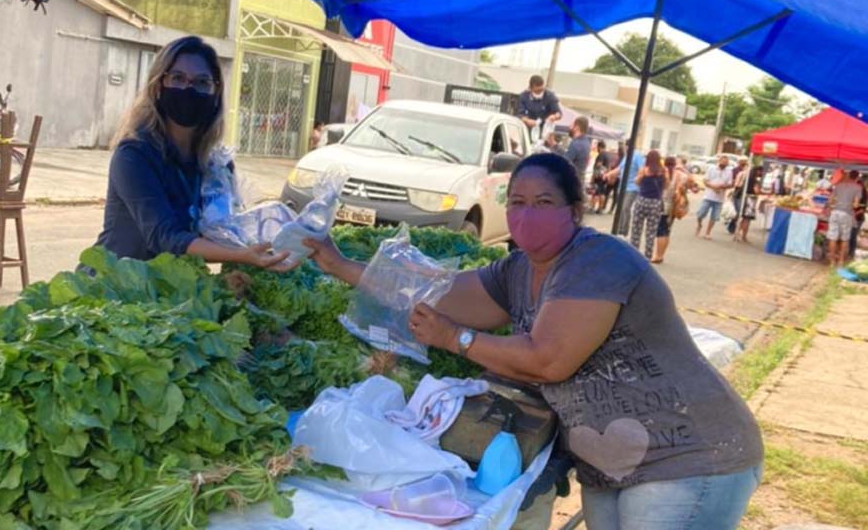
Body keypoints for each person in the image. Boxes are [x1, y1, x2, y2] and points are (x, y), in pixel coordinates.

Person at [306, 153, 763, 530]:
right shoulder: (518, 270)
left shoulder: (597, 261)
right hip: (609, 465)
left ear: (575, 211)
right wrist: (339, 264)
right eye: (517, 202)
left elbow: (548, 360)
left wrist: (455, 338)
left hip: (687, 456)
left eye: (544, 202)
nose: (527, 215)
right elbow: (436, 291)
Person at [95, 36, 295, 269]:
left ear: (215, 92)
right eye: (178, 78)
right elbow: (164, 236)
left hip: (173, 284)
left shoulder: (216, 164)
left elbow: (220, 232)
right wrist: (241, 255)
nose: (189, 89)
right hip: (115, 282)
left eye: (202, 82)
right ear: (158, 86)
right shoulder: (135, 154)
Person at [652, 156, 690, 264]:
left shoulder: (663, 173)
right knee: (666, 230)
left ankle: (658, 255)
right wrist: (684, 170)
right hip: (673, 206)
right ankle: (661, 255)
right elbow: (690, 182)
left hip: (663, 204)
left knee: (661, 231)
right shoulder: (681, 175)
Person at [630, 150, 667, 261]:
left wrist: (642, 179)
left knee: (636, 229)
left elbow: (637, 182)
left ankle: (634, 255)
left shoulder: (644, 170)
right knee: (651, 231)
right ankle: (647, 256)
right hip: (655, 203)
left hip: (642, 200)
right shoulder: (663, 171)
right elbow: (666, 185)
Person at [827, 170, 863, 267]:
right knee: (845, 239)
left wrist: (835, 204)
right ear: (857, 177)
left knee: (832, 238)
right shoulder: (858, 188)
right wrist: (853, 204)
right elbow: (856, 205)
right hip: (847, 214)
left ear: (848, 176)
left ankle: (832, 262)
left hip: (835, 212)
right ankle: (841, 261)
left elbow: (830, 200)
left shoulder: (838, 185)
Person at [607, 146, 645, 236]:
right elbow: (619, 169)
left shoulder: (637, 156)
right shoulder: (626, 156)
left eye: (625, 146)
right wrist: (609, 174)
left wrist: (638, 179)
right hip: (622, 186)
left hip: (632, 187)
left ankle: (624, 230)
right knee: (620, 208)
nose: (624, 148)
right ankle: (619, 228)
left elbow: (642, 169)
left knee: (625, 208)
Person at [695, 155, 733, 240]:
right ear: (719, 161)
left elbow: (730, 184)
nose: (724, 164)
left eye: (726, 163)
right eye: (723, 162)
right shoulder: (711, 168)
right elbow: (705, 181)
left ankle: (707, 233)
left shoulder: (729, 172)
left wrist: (722, 187)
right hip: (708, 196)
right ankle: (699, 225)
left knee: (714, 217)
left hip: (719, 199)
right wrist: (713, 187)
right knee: (701, 213)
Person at [517, 75, 562, 143]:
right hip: (528, 130)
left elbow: (559, 113)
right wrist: (527, 121)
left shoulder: (550, 96)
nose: (540, 92)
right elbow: (520, 114)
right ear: (531, 88)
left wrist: (554, 117)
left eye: (542, 90)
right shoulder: (524, 96)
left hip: (544, 130)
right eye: (537, 90)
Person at [731, 165, 763, 243]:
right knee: (747, 219)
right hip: (750, 199)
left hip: (744, 198)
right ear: (758, 171)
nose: (762, 173)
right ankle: (741, 235)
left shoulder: (748, 178)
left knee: (744, 218)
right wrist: (762, 192)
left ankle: (738, 234)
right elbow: (756, 191)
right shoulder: (755, 180)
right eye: (761, 171)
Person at [565, 116, 592, 183]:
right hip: (580, 180)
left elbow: (564, 162)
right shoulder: (587, 142)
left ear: (577, 128)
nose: (569, 127)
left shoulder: (576, 144)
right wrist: (555, 146)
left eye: (571, 125)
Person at [590, 140, 612, 214]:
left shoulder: (601, 154)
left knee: (596, 193)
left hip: (599, 176)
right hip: (605, 176)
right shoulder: (608, 155)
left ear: (600, 147)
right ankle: (600, 209)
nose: (597, 149)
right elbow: (608, 167)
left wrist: (594, 176)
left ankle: (592, 208)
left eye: (597, 147)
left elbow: (599, 165)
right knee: (602, 193)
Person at [849, 173, 867, 258]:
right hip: (852, 217)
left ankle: (851, 254)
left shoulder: (864, 194)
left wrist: (853, 214)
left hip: (858, 218)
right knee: (849, 235)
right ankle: (848, 252)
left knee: (853, 236)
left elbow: (862, 209)